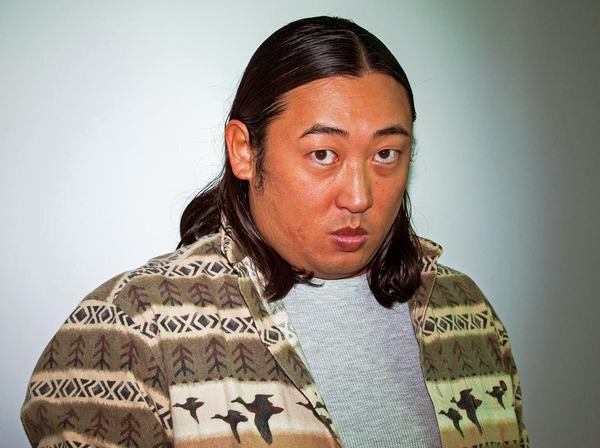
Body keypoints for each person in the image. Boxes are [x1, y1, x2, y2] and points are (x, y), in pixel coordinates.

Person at [21, 16, 528, 448]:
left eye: (385, 154)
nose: (359, 196)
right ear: (244, 150)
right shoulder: (130, 328)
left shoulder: (464, 311)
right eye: (323, 154)